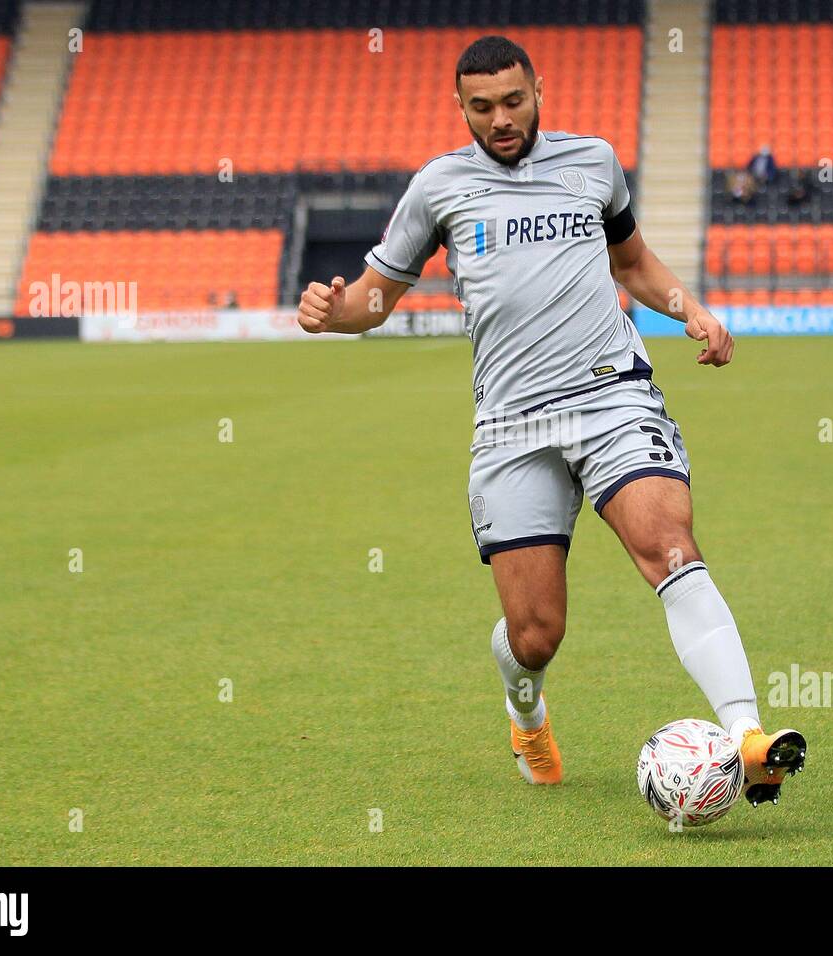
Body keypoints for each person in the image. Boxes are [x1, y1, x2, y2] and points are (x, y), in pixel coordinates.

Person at [296, 35, 806, 807]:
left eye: (513, 101)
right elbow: (377, 296)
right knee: (536, 635)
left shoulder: (593, 163)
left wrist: (688, 308)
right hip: (510, 427)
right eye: (482, 107)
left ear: (539, 90)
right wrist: (333, 315)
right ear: (460, 107)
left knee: (668, 545)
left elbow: (631, 263)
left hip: (611, 396)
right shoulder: (438, 188)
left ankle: (747, 734)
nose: (501, 119)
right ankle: (524, 709)